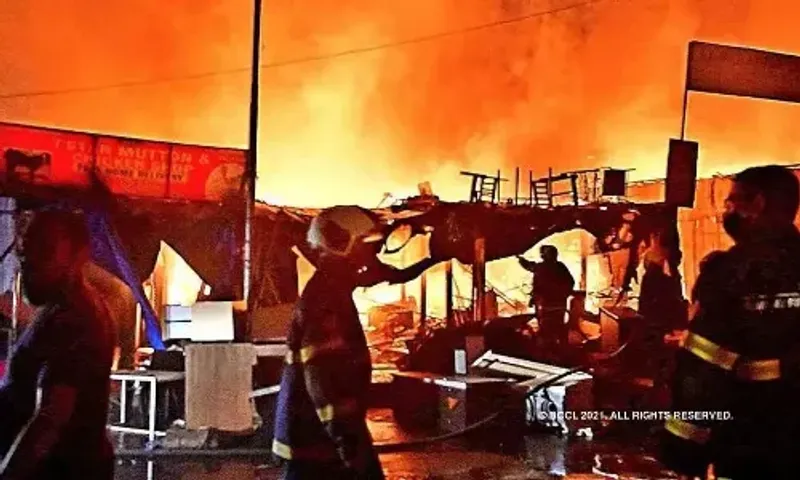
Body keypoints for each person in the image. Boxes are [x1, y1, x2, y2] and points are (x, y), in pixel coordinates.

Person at [273, 206, 435, 479]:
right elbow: (328, 390)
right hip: (319, 456)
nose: (373, 256)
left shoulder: (329, 291)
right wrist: (357, 455)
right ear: (341, 246)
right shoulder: (327, 302)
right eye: (368, 246)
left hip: (315, 449)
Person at [659, 165, 800, 479]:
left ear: (758, 203)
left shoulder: (729, 274)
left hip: (754, 441)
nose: (728, 210)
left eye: (732, 202)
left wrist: (683, 448)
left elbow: (702, 370)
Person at [0, 210, 116, 479]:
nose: (29, 261)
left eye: (45, 250)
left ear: (79, 255)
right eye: (26, 249)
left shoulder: (76, 320)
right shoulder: (58, 310)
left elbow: (50, 421)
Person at [518, 245, 575, 349]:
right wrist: (564, 295)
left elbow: (529, 266)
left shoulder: (541, 267)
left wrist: (521, 260)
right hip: (558, 304)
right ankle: (562, 348)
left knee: (545, 328)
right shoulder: (560, 267)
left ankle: (548, 349)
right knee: (559, 326)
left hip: (544, 305)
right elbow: (570, 282)